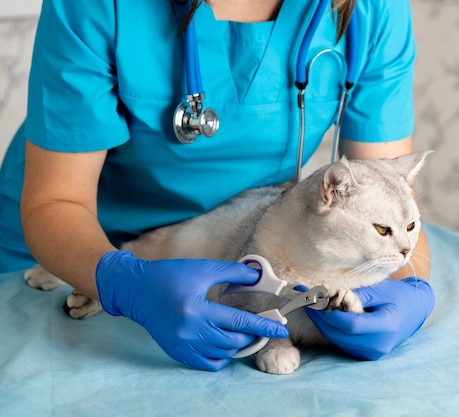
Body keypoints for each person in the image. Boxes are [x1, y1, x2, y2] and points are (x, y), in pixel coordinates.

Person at [0, 0, 434, 371]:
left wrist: (410, 294)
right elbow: (56, 200)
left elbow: (392, 199)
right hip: (69, 257)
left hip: (247, 246)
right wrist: (122, 282)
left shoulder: (369, 9)